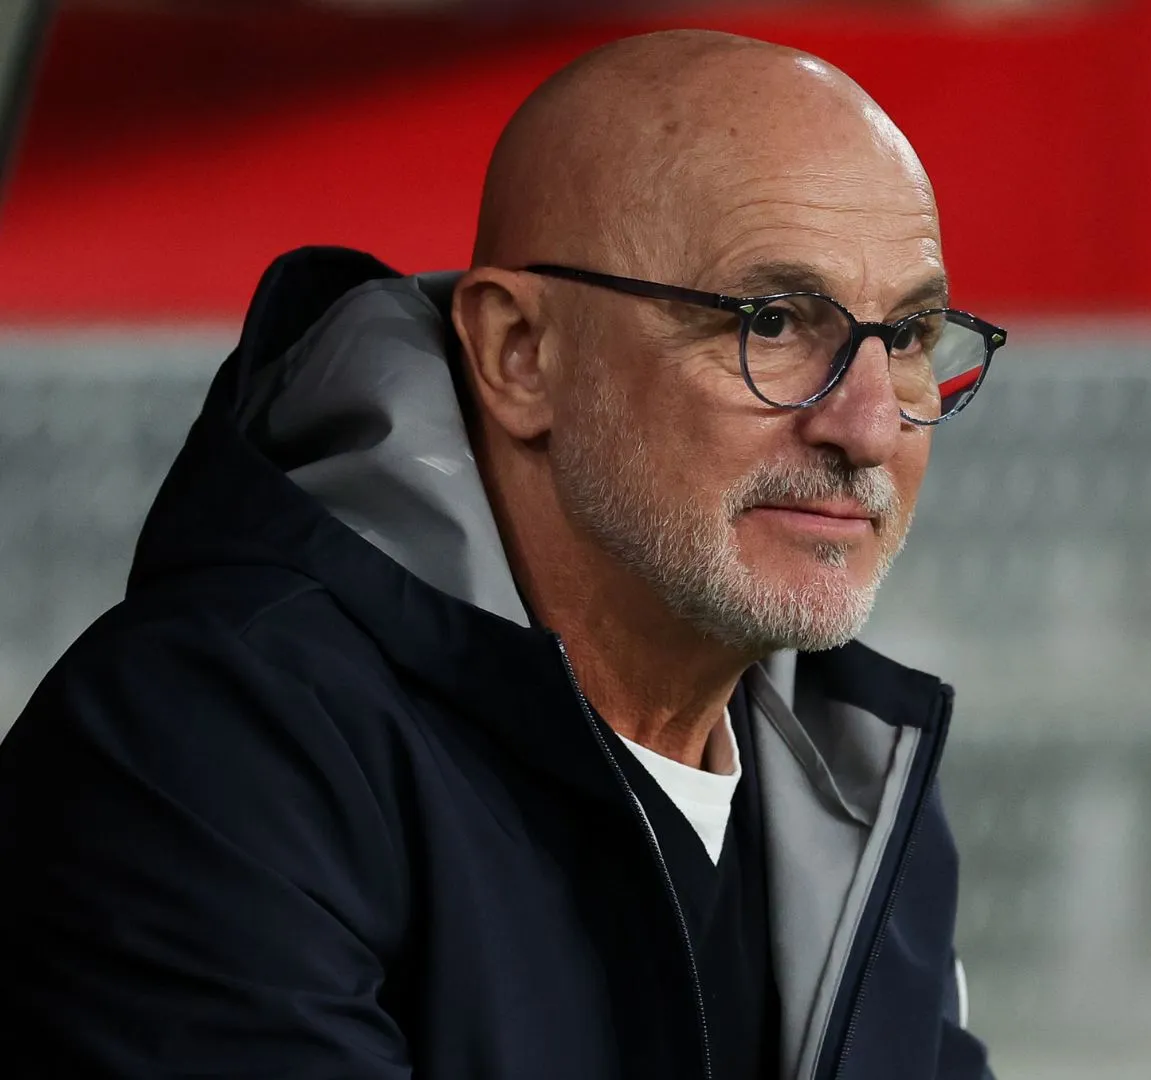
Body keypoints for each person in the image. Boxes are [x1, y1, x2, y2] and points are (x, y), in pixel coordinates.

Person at [0, 29, 1004, 1080]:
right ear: (520, 356)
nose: (871, 423)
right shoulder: (208, 747)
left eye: (912, 336)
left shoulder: (862, 783)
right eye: (774, 322)